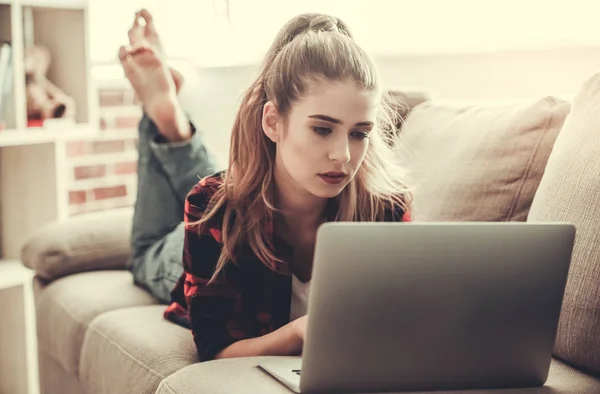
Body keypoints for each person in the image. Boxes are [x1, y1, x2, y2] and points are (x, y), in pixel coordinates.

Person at [119, 9, 412, 363]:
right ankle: (163, 115)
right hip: (209, 237)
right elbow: (215, 347)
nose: (343, 156)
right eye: (322, 129)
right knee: (154, 248)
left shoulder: (387, 208)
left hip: (252, 188)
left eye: (359, 133)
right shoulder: (215, 212)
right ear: (273, 122)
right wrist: (300, 332)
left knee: (231, 186)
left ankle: (175, 123)